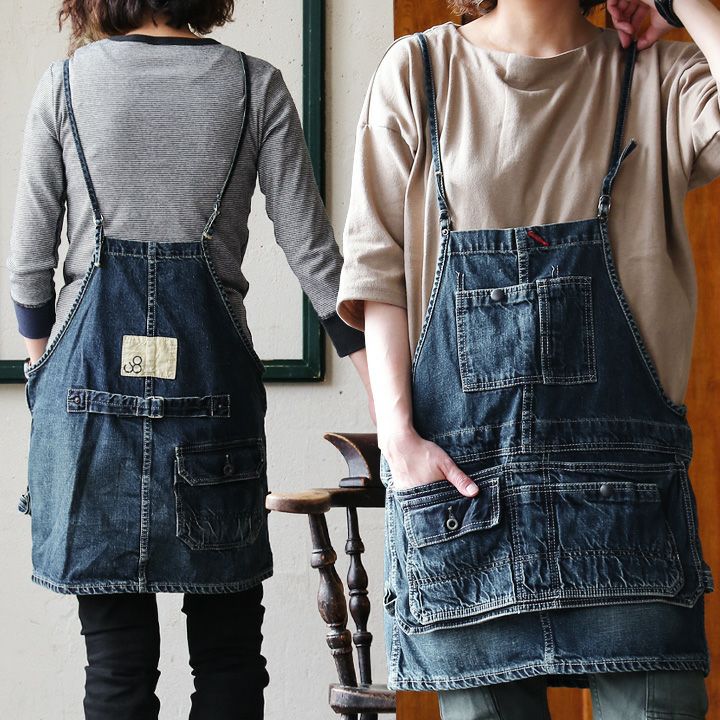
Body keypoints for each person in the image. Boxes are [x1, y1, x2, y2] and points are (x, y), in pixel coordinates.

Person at [337, 0, 719, 717]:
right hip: (465, 506)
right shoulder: (417, 71)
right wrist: (397, 437)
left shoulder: (660, 76)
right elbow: (374, 267)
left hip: (627, 518)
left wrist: (681, 3)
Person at [6, 1, 372, 718]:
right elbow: (316, 259)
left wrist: (43, 373)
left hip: (88, 413)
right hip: (212, 409)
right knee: (229, 655)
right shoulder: (254, 84)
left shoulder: (64, 84)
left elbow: (28, 266)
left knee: (116, 666)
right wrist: (389, 393)